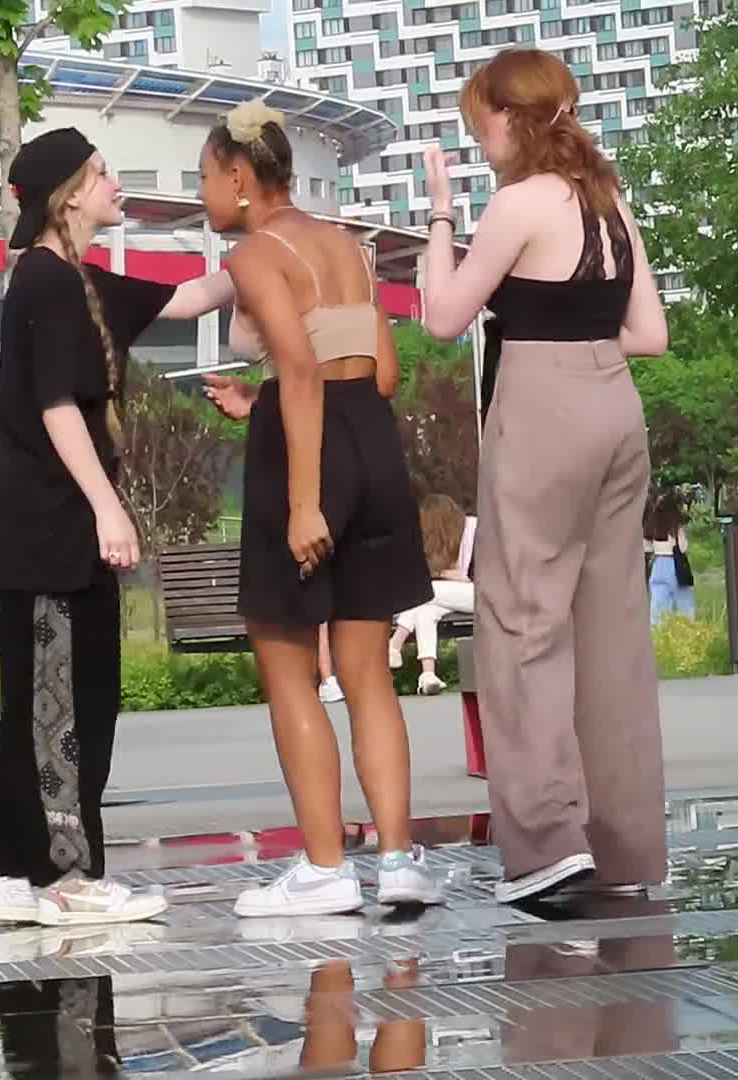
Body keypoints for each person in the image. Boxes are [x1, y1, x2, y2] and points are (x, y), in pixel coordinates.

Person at [418, 49, 671, 904]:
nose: (477, 136)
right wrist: (582, 336)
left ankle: (546, 845)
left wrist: (442, 216)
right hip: (616, 405)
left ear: (511, 118)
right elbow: (651, 335)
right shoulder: (609, 200)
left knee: (522, 617)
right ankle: (624, 849)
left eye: (480, 121)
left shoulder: (518, 202)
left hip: (542, 404)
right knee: (610, 631)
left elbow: (443, 316)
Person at [0, 128, 240, 926]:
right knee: (64, 705)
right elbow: (57, 406)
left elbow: (191, 298)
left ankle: (8, 873)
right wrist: (107, 506)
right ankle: (65, 878)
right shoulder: (47, 284)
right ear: (67, 196)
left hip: (53, 527)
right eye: (101, 173)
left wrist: (268, 237)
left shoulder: (83, 283)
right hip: (50, 527)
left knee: (46, 700)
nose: (115, 183)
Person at [199, 99, 445, 917]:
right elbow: (380, 374)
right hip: (372, 443)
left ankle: (326, 868)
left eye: (206, 177)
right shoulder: (349, 246)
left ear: (241, 178)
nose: (203, 194)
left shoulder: (254, 255)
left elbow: (301, 372)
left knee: (289, 667)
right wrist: (261, 403)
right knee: (369, 673)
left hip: (305, 456)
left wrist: (305, 503)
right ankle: (399, 860)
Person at [388, 494, 477, 695]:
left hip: (488, 596)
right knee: (426, 608)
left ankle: (394, 644)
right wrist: (446, 574)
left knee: (427, 592)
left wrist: (459, 577)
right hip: (457, 596)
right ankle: (428, 675)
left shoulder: (475, 531)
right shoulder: (444, 542)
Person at [644, 493, 695, 622]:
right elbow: (683, 547)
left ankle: (659, 631)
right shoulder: (675, 527)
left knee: (658, 607)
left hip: (658, 564)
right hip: (674, 564)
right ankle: (687, 628)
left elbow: (646, 547)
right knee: (684, 604)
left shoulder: (653, 527)